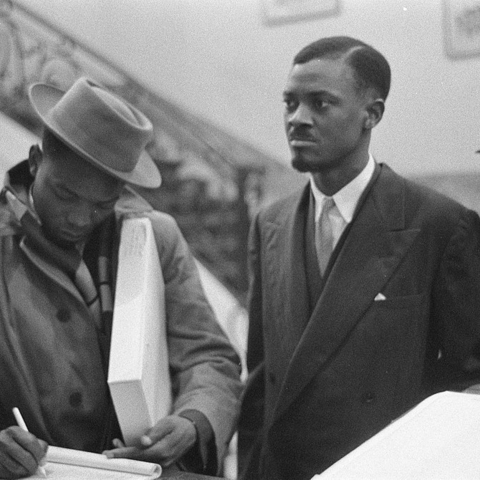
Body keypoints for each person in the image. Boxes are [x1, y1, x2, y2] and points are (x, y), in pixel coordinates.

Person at [237, 36, 480, 480]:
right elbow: (261, 379)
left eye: (320, 104)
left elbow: (468, 383)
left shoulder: (439, 223)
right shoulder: (269, 224)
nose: (297, 119)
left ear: (372, 114)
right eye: (290, 103)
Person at [0, 76, 243, 479]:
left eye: (101, 204)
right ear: (35, 161)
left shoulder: (154, 237)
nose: (80, 218)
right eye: (65, 194)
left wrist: (192, 420)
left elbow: (209, 357)